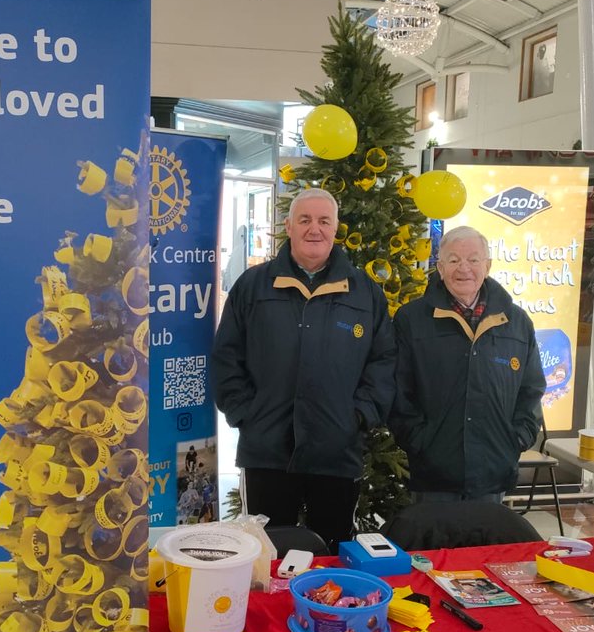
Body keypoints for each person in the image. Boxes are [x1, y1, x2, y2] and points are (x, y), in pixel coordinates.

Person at [211, 187, 395, 552]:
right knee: (265, 554)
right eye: (305, 220)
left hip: (337, 451)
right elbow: (226, 356)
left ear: (335, 228)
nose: (315, 229)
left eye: (324, 221)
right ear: (289, 226)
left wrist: (359, 416)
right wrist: (245, 412)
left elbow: (383, 361)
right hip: (267, 452)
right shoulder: (253, 286)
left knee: (332, 551)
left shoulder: (364, 292)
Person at [390, 225, 544, 504]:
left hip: (492, 474)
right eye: (453, 260)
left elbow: (531, 391)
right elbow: (399, 392)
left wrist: (516, 439)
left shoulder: (517, 323)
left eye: (473, 259)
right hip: (433, 477)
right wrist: (418, 441)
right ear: (440, 267)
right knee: (433, 535)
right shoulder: (411, 320)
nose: (464, 268)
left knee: (486, 536)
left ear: (487, 265)